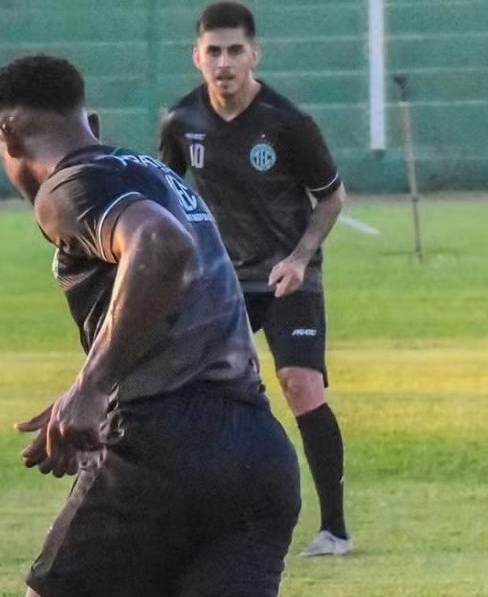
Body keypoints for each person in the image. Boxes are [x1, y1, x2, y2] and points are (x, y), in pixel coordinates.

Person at [0, 53, 395, 597]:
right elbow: (170, 260)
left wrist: (94, 386)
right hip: (255, 452)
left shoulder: (67, 184)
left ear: (9, 137)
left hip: (164, 447)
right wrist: (91, 381)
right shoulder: (142, 168)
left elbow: (159, 250)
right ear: (89, 116)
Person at [160, 2, 353, 557]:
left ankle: (334, 530)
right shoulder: (181, 121)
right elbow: (169, 197)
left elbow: (331, 198)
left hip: (289, 274)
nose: (224, 62)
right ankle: (206, 518)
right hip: (223, 279)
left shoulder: (287, 123)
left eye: (235, 51)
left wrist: (299, 257)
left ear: (254, 55)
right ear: (197, 57)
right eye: (213, 51)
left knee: (299, 385)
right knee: (205, 392)